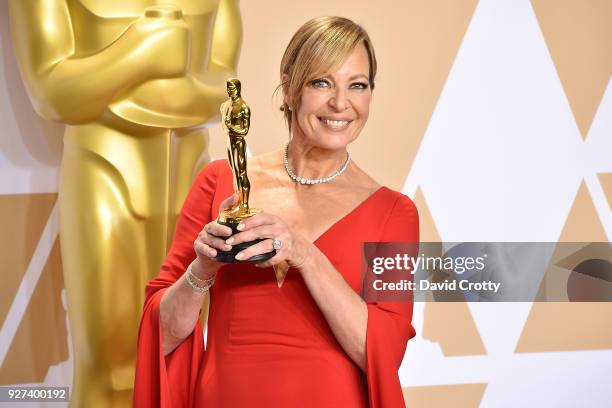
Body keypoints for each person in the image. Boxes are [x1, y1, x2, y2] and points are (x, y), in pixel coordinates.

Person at [134, 16, 419, 407]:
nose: (341, 103)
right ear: (289, 88)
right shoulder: (220, 182)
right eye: (322, 82)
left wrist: (303, 253)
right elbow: (161, 336)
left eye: (358, 85)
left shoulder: (395, 214)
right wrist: (202, 269)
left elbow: (386, 354)